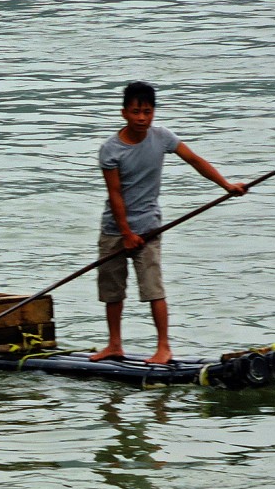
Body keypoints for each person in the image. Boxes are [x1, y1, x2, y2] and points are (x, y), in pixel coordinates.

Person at [90, 81, 247, 364]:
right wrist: (125, 233)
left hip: (149, 227)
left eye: (147, 112)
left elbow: (195, 160)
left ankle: (164, 347)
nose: (142, 118)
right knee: (112, 290)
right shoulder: (110, 150)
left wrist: (225, 185)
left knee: (154, 289)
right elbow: (114, 195)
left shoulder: (162, 137)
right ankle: (114, 345)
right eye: (136, 112)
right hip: (114, 229)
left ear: (153, 113)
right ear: (124, 113)